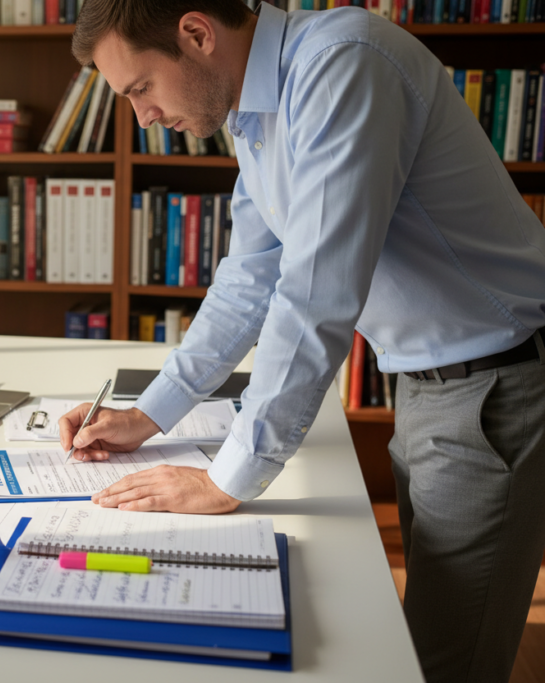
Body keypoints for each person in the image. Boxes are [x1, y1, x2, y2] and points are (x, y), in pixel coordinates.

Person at [58, 1, 545, 681]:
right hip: (435, 384)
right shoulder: (255, 109)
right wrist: (149, 412)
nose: (143, 117)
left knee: (445, 664)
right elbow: (251, 279)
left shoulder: (341, 65)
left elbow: (315, 293)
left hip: (494, 384)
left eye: (140, 88)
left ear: (197, 34)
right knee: (425, 641)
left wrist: (227, 479)